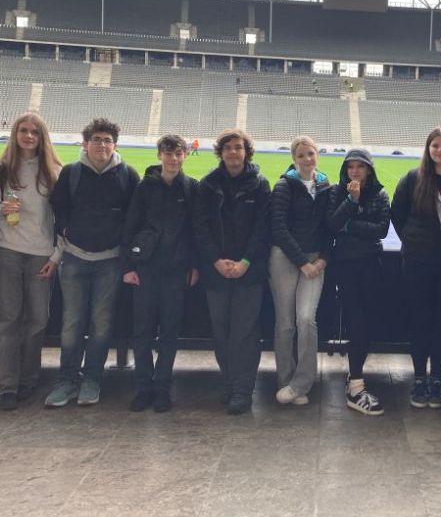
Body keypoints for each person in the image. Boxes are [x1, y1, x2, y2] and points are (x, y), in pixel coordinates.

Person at [45, 118, 140, 407]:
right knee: (72, 324)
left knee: (101, 325)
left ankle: (92, 379)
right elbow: (59, 208)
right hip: (74, 258)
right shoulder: (72, 173)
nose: (102, 145)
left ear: (115, 144)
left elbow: (134, 217)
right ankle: (67, 379)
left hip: (109, 262)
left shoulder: (128, 175)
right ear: (86, 143)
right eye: (97, 139)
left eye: (108, 140)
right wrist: (66, 231)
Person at [0, 113, 62, 410]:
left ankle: (28, 378)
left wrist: (56, 256)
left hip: (41, 253)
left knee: (37, 319)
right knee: (6, 320)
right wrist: (1, 210)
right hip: (7, 249)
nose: (29, 136)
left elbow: (60, 219)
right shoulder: (0, 171)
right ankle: (5, 385)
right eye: (23, 130)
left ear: (42, 137)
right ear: (15, 133)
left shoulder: (53, 172)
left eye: (34, 132)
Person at [193, 128, 271, 415]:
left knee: (245, 333)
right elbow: (200, 228)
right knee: (222, 332)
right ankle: (229, 382)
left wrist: (245, 263)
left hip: (248, 273)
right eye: (228, 148)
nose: (233, 152)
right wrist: (216, 261)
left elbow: (263, 229)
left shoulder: (260, 185)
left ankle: (243, 389)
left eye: (238, 147)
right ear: (221, 152)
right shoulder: (208, 185)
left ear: (246, 152)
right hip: (216, 272)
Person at [121, 134, 199, 413]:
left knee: (169, 332)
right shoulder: (144, 188)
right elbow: (130, 227)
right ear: (159, 155)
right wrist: (128, 267)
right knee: (141, 331)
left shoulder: (191, 187)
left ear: (185, 156)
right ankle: (143, 387)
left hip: (176, 271)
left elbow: (195, 232)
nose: (173, 159)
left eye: (178, 154)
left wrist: (194, 266)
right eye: (168, 154)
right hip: (146, 269)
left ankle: (162, 387)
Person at [390, 127, 441, 409]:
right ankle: (419, 377)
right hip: (418, 262)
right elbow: (397, 213)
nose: (440, 150)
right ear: (428, 149)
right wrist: (412, 239)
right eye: (435, 146)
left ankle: (436, 377)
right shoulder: (413, 178)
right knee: (419, 319)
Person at [326, 149, 391, 415]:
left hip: (370, 265)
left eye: (360, 167)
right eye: (351, 167)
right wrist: (352, 202)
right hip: (346, 266)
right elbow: (331, 224)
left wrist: (350, 226)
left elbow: (382, 229)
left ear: (368, 170)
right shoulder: (337, 191)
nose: (355, 172)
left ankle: (356, 376)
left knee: (368, 320)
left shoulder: (380, 194)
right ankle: (356, 384)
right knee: (356, 321)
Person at [270, 136, 331, 406]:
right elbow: (278, 227)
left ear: (317, 155)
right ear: (294, 159)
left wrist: (323, 260)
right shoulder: (284, 185)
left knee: (306, 319)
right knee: (285, 323)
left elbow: (331, 227)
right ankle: (285, 380)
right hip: (285, 258)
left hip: (315, 260)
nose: (307, 159)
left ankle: (301, 383)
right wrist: (301, 262)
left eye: (311, 154)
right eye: (302, 155)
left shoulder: (326, 186)